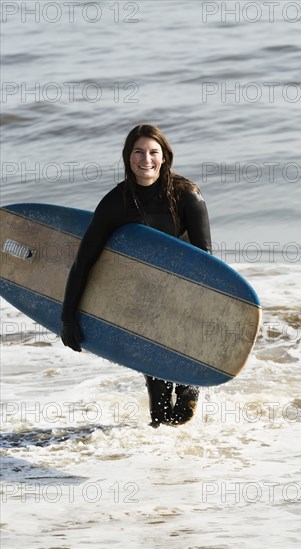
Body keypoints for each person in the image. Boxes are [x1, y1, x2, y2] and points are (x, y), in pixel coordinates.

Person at [60, 124, 212, 428]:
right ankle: (157, 459)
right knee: (159, 407)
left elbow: (207, 262)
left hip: (184, 294)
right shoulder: (116, 203)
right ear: (128, 157)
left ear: (165, 157)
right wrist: (68, 317)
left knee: (181, 403)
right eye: (138, 152)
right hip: (143, 300)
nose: (146, 159)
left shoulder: (186, 196)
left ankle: (188, 388)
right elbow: (84, 262)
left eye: (153, 152)